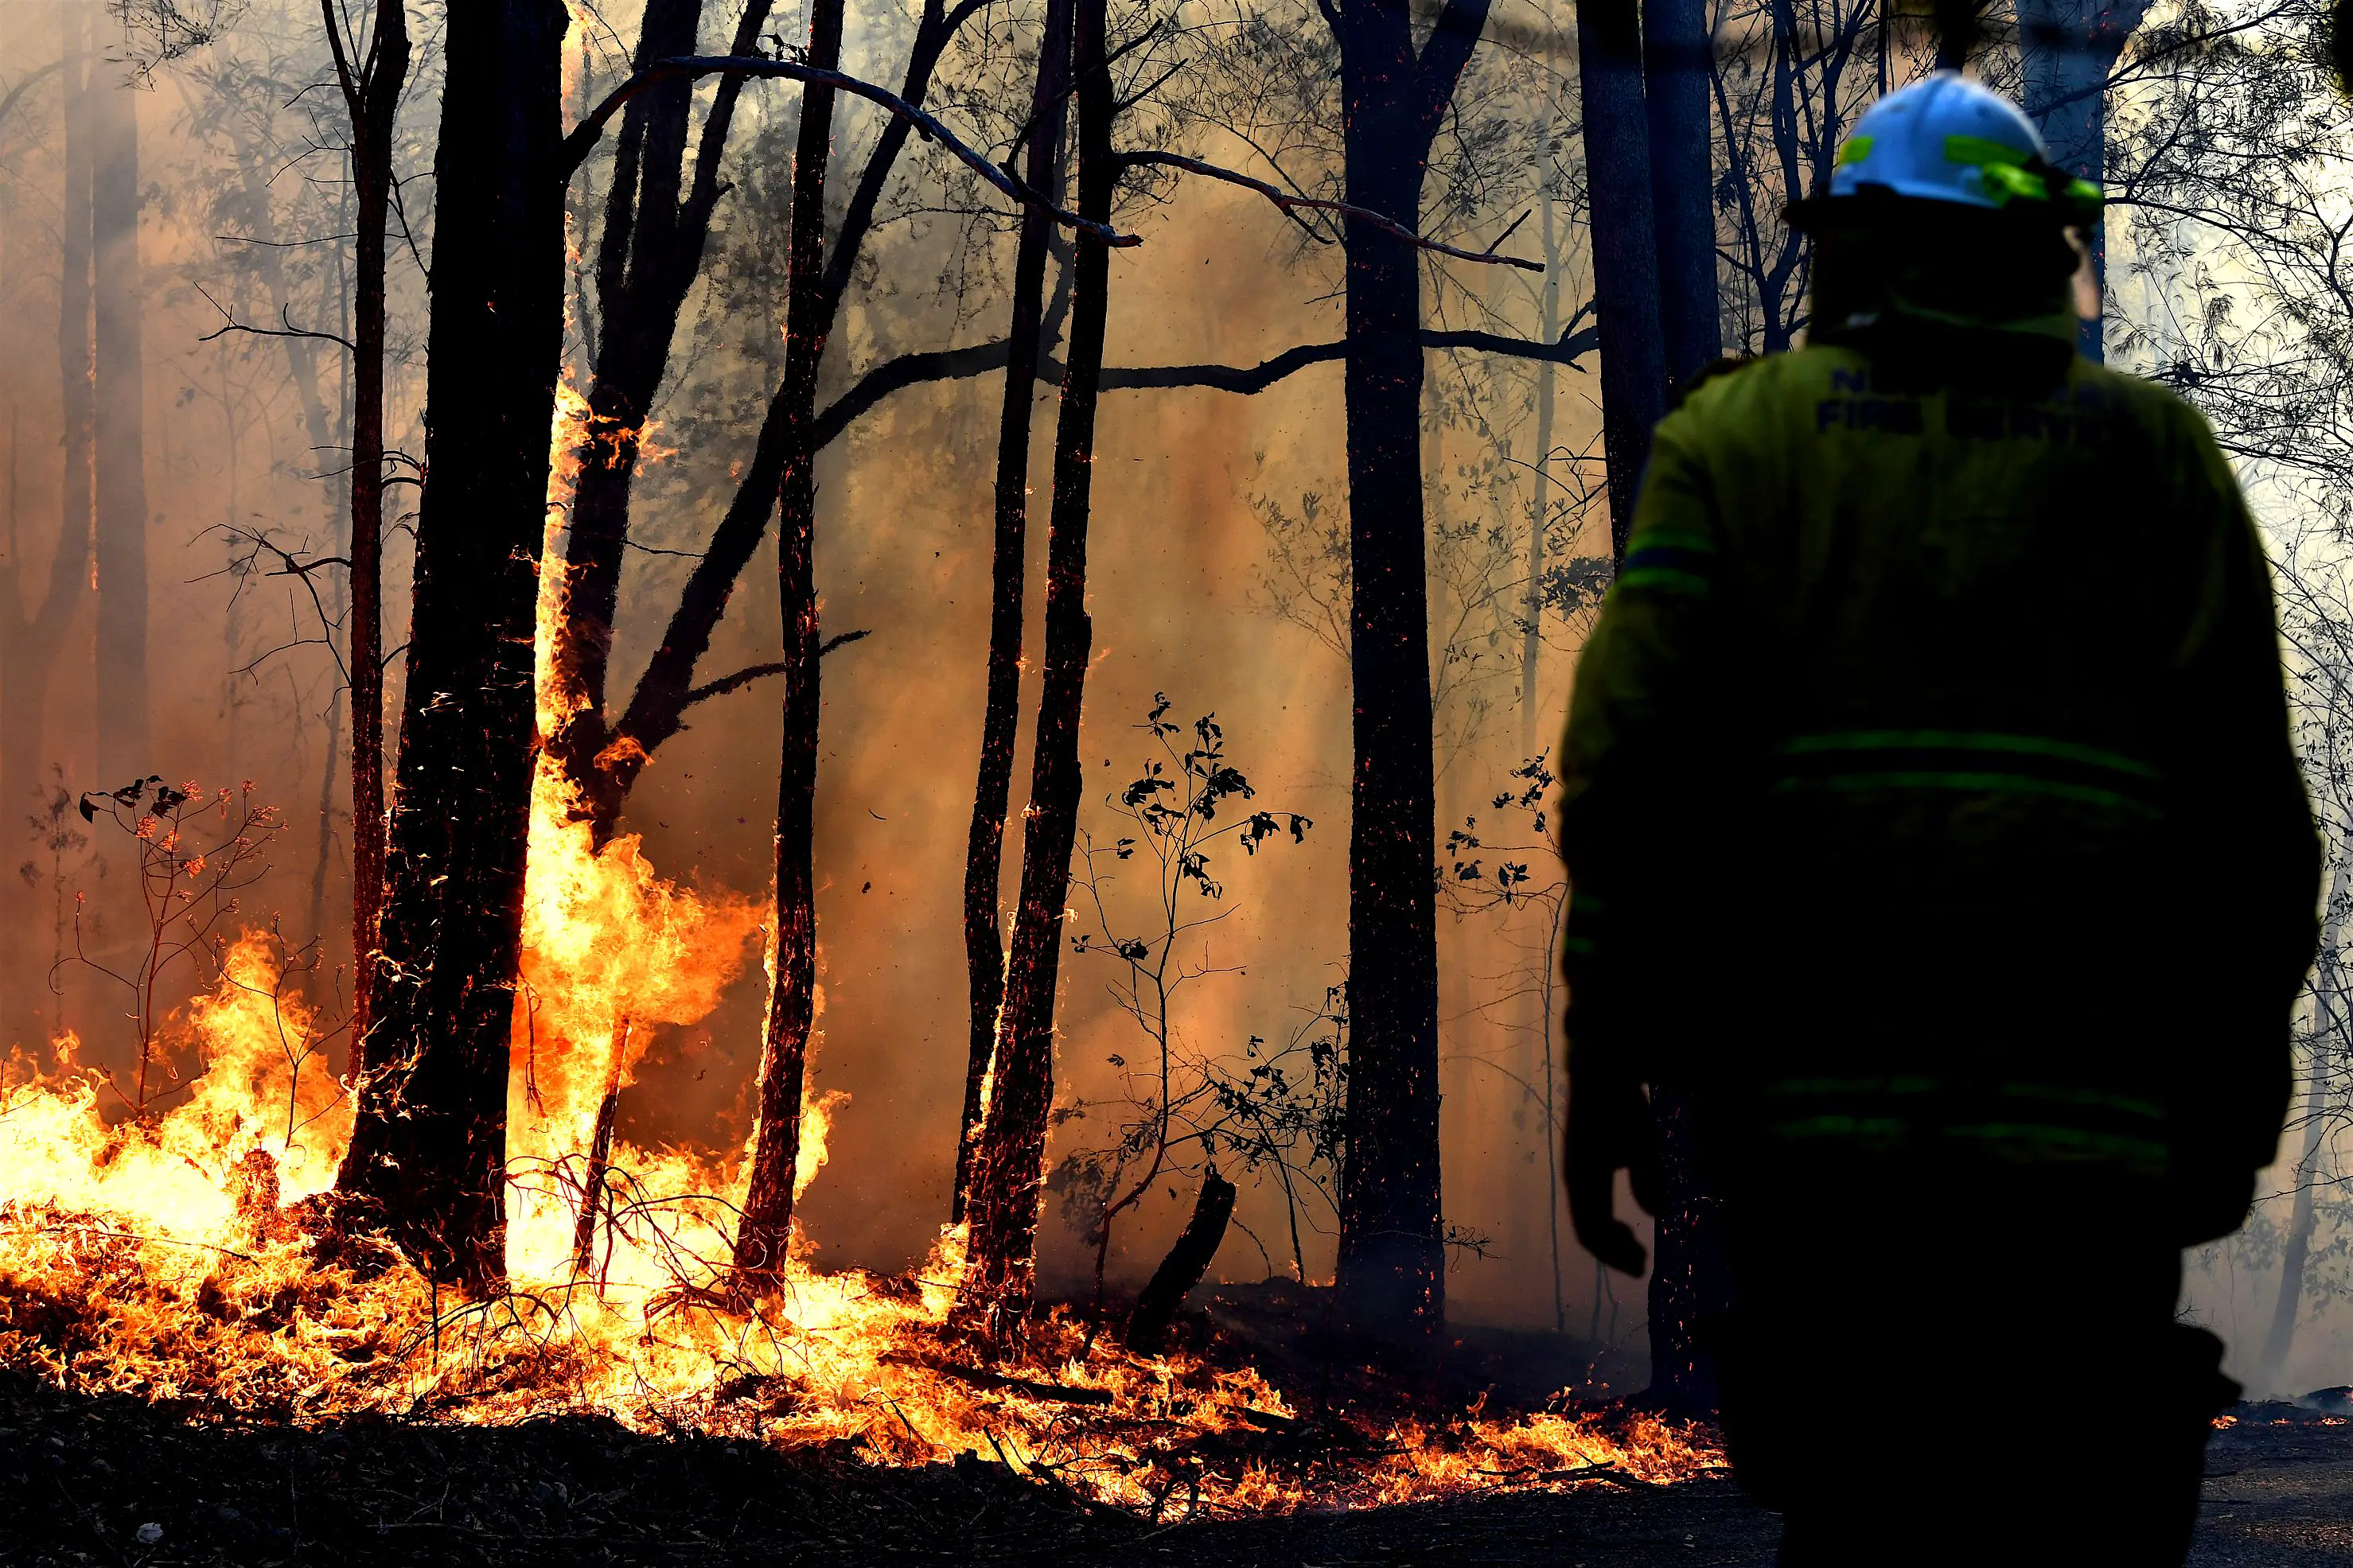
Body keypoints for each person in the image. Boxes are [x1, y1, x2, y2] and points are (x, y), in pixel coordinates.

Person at [1556, 72, 2320, 1565]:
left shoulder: (1743, 445)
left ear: (1853, 252)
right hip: (2092, 1175)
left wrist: (1612, 1070)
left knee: (1865, 1520)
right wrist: (2232, 1110)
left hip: (1821, 1162)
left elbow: (1630, 782)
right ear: (2039, 251)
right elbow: (2255, 841)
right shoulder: (2156, 462)